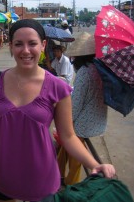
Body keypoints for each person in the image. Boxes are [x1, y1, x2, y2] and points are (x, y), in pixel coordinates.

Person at [0, 19, 115, 202]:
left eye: (32, 43)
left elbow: (68, 136)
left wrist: (94, 164)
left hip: (40, 178)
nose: (25, 51)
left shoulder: (58, 87)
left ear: (43, 45)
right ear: (10, 46)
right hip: (0, 174)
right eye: (18, 44)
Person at [57, 32, 108, 186]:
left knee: (67, 138)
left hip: (85, 125)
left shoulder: (85, 72)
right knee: (63, 144)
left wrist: (62, 122)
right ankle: (58, 175)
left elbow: (75, 106)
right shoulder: (99, 68)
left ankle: (70, 183)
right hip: (99, 121)